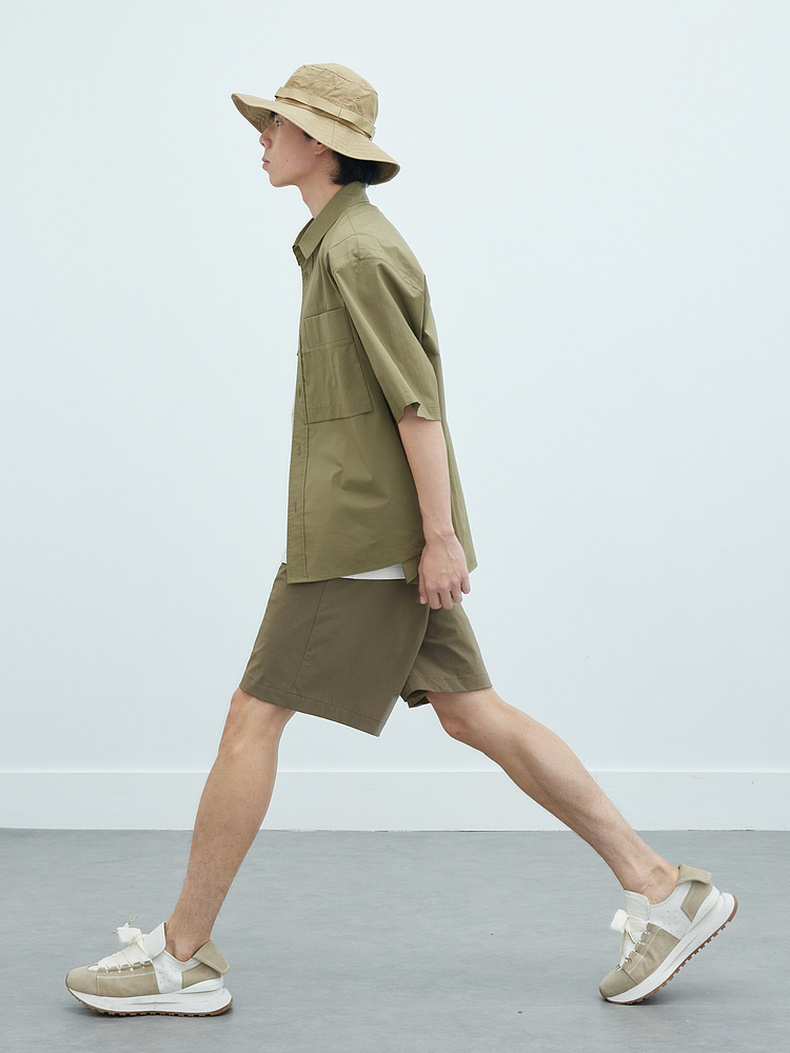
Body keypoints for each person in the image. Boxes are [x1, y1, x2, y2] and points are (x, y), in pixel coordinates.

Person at [65, 63, 737, 1017]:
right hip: (378, 533)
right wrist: (432, 536)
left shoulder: (357, 253)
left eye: (277, 123)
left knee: (251, 718)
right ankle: (664, 891)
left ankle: (181, 959)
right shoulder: (341, 243)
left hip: (361, 541)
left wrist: (438, 538)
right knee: (474, 713)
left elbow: (417, 406)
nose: (262, 137)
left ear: (321, 143)